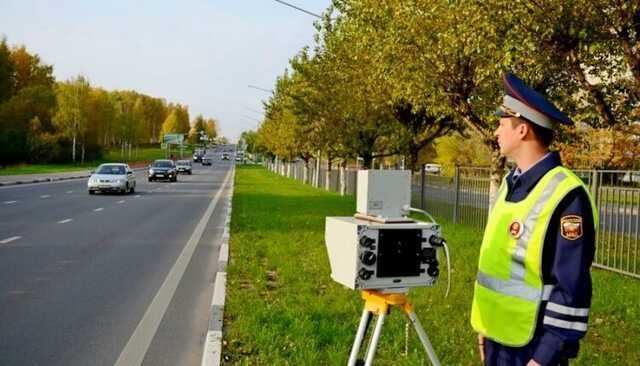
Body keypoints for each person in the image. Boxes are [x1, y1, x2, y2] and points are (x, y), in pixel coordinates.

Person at [470, 73, 599, 366]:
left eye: (501, 124)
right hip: (497, 338)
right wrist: (485, 330)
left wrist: (544, 358)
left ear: (522, 131)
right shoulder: (509, 182)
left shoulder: (567, 195)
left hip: (532, 349)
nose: (495, 132)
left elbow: (571, 287)